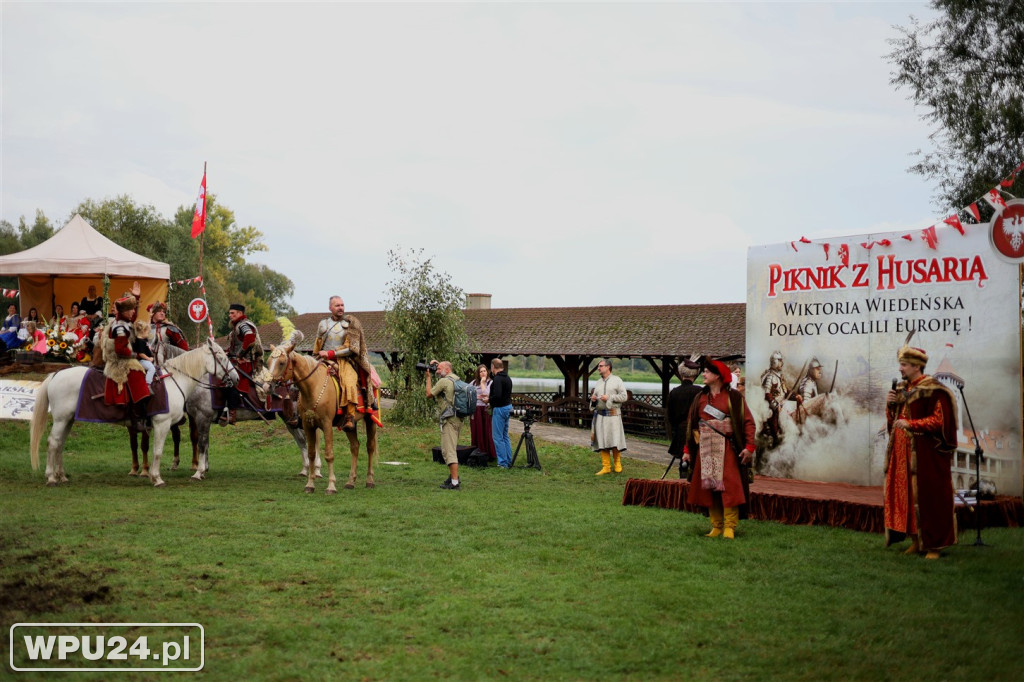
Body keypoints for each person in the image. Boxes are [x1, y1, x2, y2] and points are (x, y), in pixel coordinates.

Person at [884, 345, 958, 559]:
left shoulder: (935, 390)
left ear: (917, 366)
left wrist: (911, 424)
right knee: (907, 497)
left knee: (929, 498)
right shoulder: (902, 389)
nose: (900, 368)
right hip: (902, 454)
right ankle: (917, 540)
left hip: (926, 455)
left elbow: (939, 421)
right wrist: (890, 406)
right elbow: (894, 422)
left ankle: (934, 546)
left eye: (904, 364)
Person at [682, 358, 756, 539]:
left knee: (729, 488)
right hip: (705, 448)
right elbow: (692, 425)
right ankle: (716, 526)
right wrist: (686, 450)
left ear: (717, 376)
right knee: (710, 488)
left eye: (707, 372)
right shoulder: (700, 397)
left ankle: (730, 527)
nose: (704, 374)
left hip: (728, 449)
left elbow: (748, 422)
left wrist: (749, 447)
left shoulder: (734, 398)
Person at [312, 295, 381, 431]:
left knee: (349, 381)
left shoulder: (350, 324)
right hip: (323, 360)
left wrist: (331, 353)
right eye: (337, 305)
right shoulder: (323, 325)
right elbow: (318, 344)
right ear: (330, 308)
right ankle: (301, 412)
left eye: (342, 305)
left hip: (344, 361)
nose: (341, 308)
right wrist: (315, 357)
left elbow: (352, 349)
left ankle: (349, 416)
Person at [102, 295, 151, 431]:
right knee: (138, 376)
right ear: (123, 312)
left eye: (133, 309)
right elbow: (120, 350)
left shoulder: (125, 321)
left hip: (127, 358)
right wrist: (136, 355)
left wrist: (136, 296)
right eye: (130, 310)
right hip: (120, 362)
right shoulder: (120, 328)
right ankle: (135, 417)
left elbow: (133, 318)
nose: (133, 312)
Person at [221, 303, 262, 426]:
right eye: (229, 313)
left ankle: (232, 413)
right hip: (236, 362)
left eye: (232, 313)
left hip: (246, 363)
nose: (230, 315)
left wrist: (239, 355)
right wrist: (227, 352)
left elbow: (250, 338)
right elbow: (235, 345)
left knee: (232, 382)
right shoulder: (236, 326)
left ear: (240, 313)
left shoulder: (243, 324)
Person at [425, 360, 463, 490]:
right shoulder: (456, 379)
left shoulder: (443, 382)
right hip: (459, 418)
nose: (437, 370)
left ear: (446, 370)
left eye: (439, 368)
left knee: (449, 451)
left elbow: (429, 394)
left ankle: (454, 482)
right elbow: (446, 367)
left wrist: (428, 378)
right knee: (452, 448)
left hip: (449, 420)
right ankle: (453, 477)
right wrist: (438, 363)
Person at [590, 358, 628, 475]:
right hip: (600, 416)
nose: (598, 368)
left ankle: (617, 464)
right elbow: (595, 398)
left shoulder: (617, 380)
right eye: (598, 366)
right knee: (602, 440)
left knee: (615, 439)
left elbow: (624, 396)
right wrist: (593, 400)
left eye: (601, 366)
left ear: (608, 367)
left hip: (613, 415)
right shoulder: (598, 382)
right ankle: (606, 466)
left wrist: (610, 398)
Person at [667, 358, 702, 477]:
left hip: (681, 430)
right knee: (698, 456)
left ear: (681, 374)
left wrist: (676, 428)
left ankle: (683, 481)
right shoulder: (700, 391)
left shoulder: (674, 392)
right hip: (697, 431)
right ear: (694, 375)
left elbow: (670, 416)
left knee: (684, 461)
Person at [759, 350, 789, 447]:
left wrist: (795, 395)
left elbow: (785, 390)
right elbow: (766, 394)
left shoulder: (779, 376)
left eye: (781, 360)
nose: (782, 363)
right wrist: (776, 406)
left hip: (781, 404)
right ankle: (774, 440)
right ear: (774, 361)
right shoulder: (770, 377)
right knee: (774, 420)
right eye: (780, 360)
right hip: (771, 407)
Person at [489, 358, 513, 468]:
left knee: (498, 437)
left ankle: (502, 463)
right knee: (505, 435)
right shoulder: (507, 378)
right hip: (508, 407)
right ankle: (508, 460)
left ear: (493, 367)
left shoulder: (498, 379)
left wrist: (489, 400)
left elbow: (498, 395)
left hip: (500, 408)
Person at [469, 364, 495, 460]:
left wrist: (483, 383)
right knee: (477, 429)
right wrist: (477, 397)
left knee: (486, 430)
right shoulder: (473, 383)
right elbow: (468, 392)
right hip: (476, 408)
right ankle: (476, 451)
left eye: (484, 371)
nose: (483, 373)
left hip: (485, 409)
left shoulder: (490, 383)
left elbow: (486, 394)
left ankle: (488, 452)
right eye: (481, 371)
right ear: (478, 374)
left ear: (487, 372)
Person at [133, 319, 156, 386]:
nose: (148, 334)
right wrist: (148, 359)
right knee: (152, 368)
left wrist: (150, 317)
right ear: (143, 331)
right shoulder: (140, 341)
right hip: (142, 360)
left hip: (145, 360)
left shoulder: (143, 339)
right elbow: (141, 354)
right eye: (147, 332)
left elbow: (148, 325)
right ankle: (148, 383)